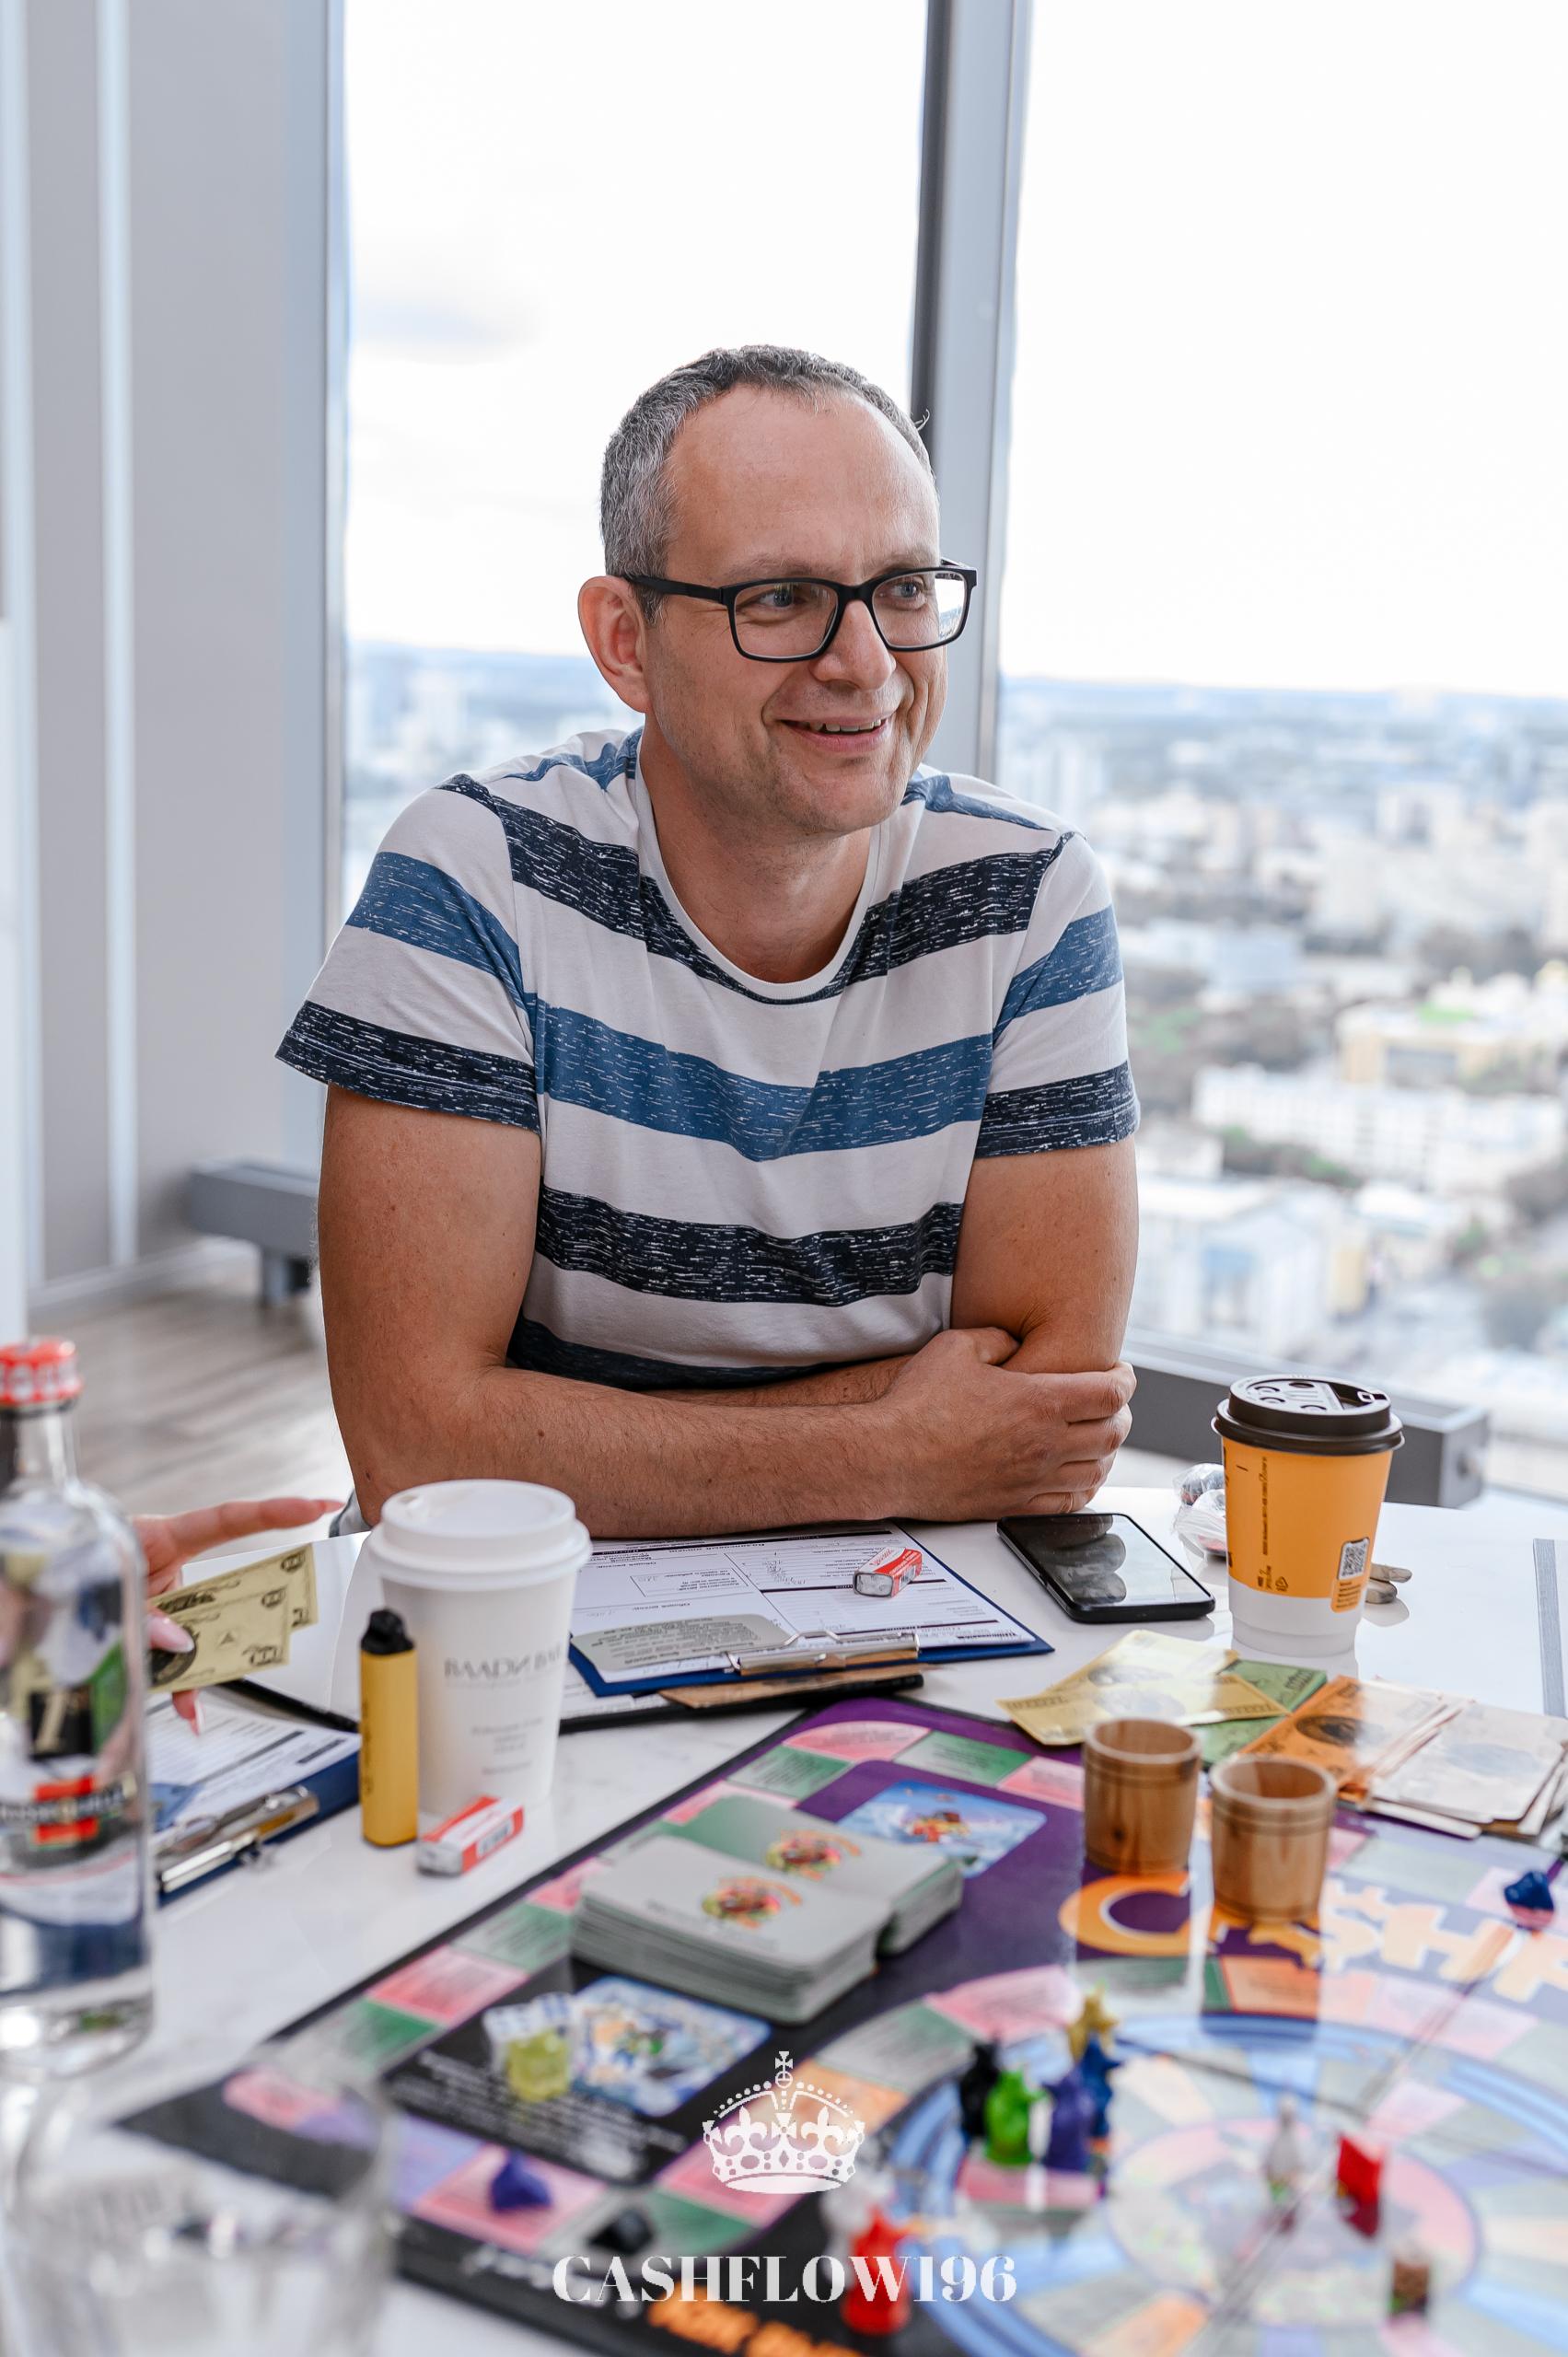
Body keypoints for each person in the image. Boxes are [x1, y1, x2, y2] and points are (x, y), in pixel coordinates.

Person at [283, 345, 1139, 1535]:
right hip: (517, 1610)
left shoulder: (1028, 896)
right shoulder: (478, 878)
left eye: (902, 587)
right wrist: (898, 1447)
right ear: (624, 642)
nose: (866, 664)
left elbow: (1044, 1415)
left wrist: (569, 1435)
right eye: (779, 598)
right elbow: (417, 1451)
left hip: (911, 1603)